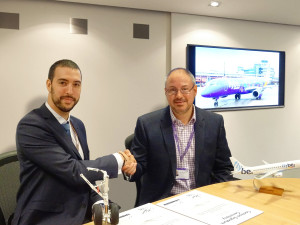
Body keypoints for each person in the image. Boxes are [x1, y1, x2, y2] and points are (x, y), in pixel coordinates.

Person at [12, 59, 136, 225]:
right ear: (49, 85)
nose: (70, 91)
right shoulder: (31, 126)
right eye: (63, 83)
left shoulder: (77, 125)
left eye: (76, 84)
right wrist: (120, 160)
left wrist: (98, 202)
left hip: (79, 211)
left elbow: (84, 176)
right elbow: (73, 170)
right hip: (45, 218)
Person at [129, 68, 234, 206]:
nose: (179, 95)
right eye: (172, 90)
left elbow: (223, 168)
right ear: (166, 92)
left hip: (202, 200)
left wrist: (219, 198)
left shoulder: (214, 122)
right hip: (163, 202)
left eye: (185, 89)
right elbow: (138, 166)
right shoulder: (147, 124)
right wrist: (130, 168)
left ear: (195, 90)